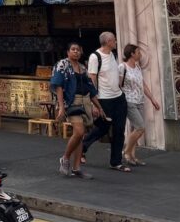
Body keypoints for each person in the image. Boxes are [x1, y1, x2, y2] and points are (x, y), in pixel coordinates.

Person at [51, 42, 104, 179]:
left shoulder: (82, 68)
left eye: (78, 50)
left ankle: (76, 168)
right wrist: (61, 107)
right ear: (68, 52)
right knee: (79, 131)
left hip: (84, 101)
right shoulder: (62, 65)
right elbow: (58, 86)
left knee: (80, 134)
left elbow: (91, 89)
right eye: (73, 50)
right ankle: (65, 158)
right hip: (71, 101)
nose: (76, 52)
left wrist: (98, 106)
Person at [82, 32, 131, 172]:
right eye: (114, 40)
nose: (116, 42)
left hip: (119, 97)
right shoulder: (95, 57)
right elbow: (92, 79)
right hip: (104, 98)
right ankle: (82, 146)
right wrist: (94, 102)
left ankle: (116, 162)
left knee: (119, 129)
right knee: (103, 127)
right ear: (108, 41)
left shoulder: (113, 55)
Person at [121, 44, 161, 166]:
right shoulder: (122, 67)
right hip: (129, 101)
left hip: (140, 100)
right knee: (140, 127)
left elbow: (143, 84)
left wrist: (152, 99)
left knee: (135, 128)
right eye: (138, 52)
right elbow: (118, 85)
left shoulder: (137, 67)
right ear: (132, 54)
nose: (140, 54)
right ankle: (126, 152)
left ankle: (132, 156)